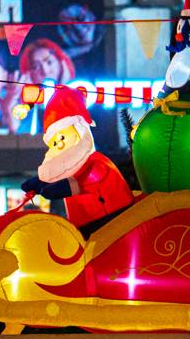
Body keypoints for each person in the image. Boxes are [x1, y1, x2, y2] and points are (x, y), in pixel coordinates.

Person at [22, 85, 130, 231]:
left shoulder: (96, 162)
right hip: (85, 226)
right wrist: (40, 182)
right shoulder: (72, 167)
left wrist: (59, 188)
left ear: (80, 132)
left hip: (112, 219)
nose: (59, 144)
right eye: (54, 143)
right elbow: (61, 174)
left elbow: (81, 182)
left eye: (62, 137)